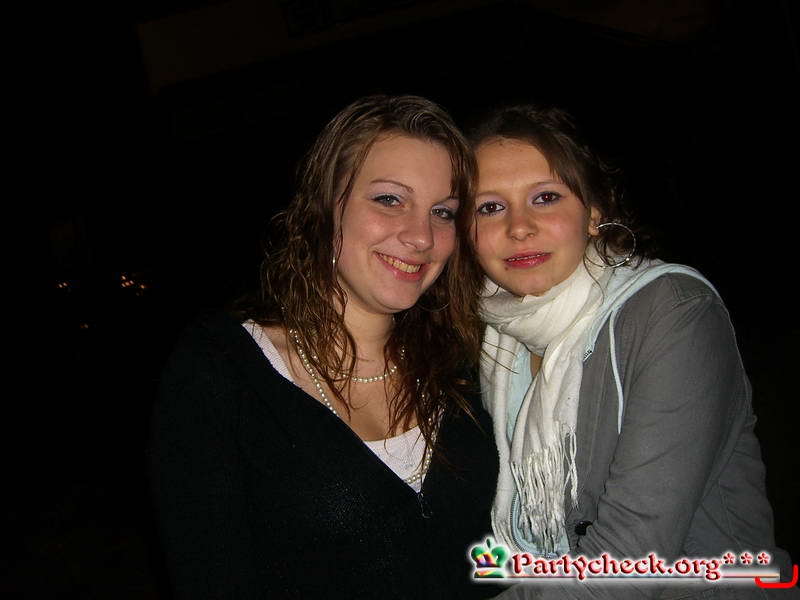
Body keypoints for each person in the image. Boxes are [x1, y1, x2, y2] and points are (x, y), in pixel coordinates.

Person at [148, 95, 502, 599]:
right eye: (389, 199)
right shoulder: (221, 374)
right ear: (325, 205)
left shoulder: (468, 364)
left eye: (442, 212)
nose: (422, 236)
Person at [469, 105, 797, 598]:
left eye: (546, 197)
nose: (519, 227)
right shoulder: (501, 333)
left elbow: (627, 564)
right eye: (490, 207)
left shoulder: (672, 311)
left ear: (594, 214)